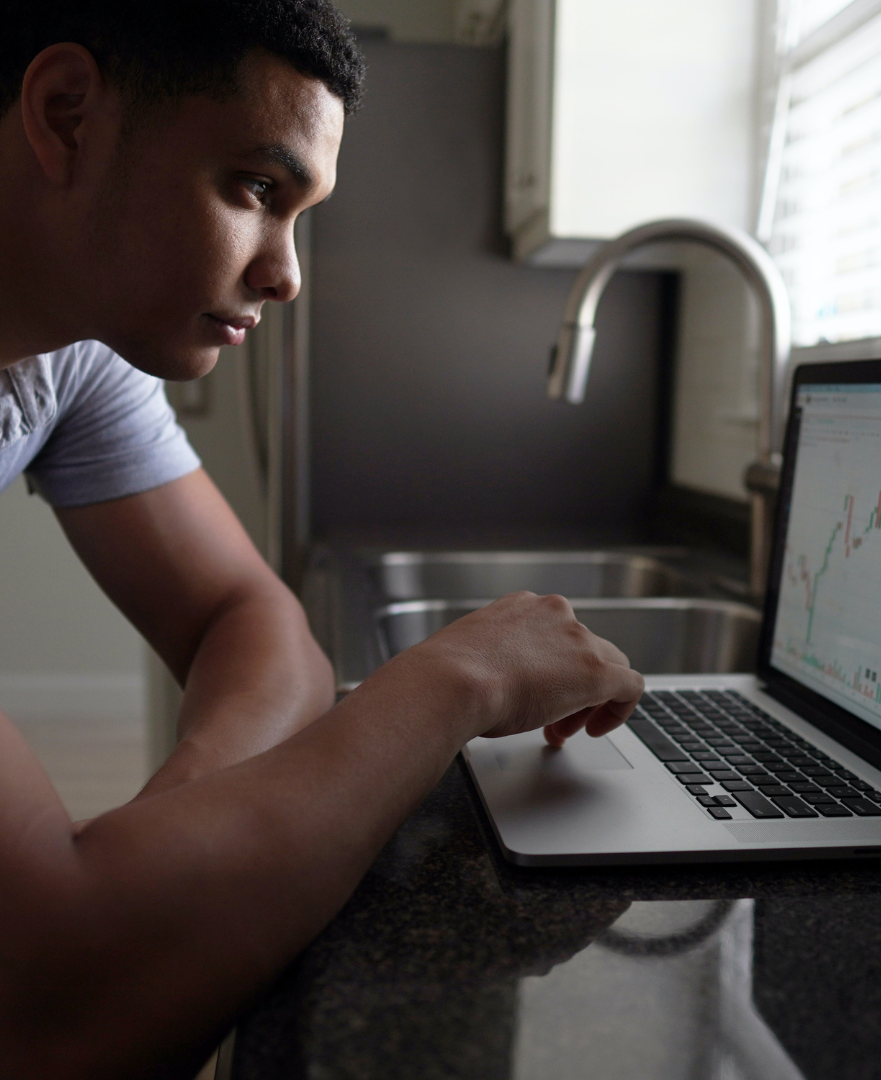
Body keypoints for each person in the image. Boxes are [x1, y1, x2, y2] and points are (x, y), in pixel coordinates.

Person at [0, 3, 644, 1076]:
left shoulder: (71, 354)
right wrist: (458, 680)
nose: (287, 274)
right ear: (66, 116)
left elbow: (254, 620)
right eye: (256, 189)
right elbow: (51, 1000)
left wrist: (179, 839)